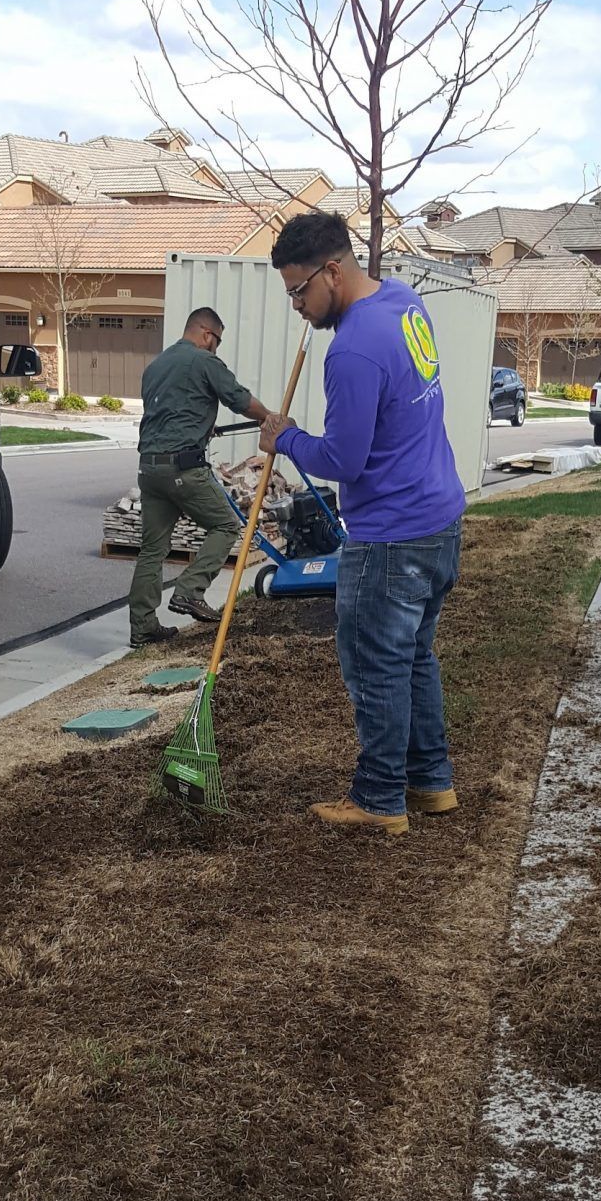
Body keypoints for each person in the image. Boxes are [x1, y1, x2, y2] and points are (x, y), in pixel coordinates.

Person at [261, 211, 467, 835]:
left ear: (333, 269)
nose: (297, 306)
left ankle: (379, 799)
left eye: (300, 291)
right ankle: (431, 783)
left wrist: (287, 438)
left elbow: (344, 461)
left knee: (376, 665)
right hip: (440, 521)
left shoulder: (350, 350)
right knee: (413, 658)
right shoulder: (406, 303)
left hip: (391, 538)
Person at [128, 308, 273, 650]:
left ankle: (143, 628)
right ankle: (189, 591)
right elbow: (239, 400)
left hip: (149, 469)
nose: (216, 349)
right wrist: (271, 418)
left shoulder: (155, 367)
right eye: (217, 341)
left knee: (152, 549)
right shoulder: (203, 361)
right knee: (225, 526)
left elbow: (173, 413)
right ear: (207, 334)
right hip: (183, 468)